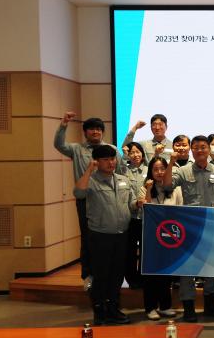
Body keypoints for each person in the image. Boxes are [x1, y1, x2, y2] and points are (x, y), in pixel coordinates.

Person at [164, 135, 214, 322]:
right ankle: (189, 306)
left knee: (212, 266)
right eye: (195, 147)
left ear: (209, 150)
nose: (199, 150)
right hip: (190, 226)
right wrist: (170, 163)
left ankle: (210, 303)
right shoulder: (183, 170)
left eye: (203, 147)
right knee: (188, 267)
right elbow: (167, 185)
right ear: (191, 150)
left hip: (213, 225)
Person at [54, 112, 122, 288]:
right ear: (85, 132)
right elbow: (59, 145)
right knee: (87, 237)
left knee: (110, 238)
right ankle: (88, 275)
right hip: (86, 199)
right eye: (92, 129)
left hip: (108, 199)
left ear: (103, 132)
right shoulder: (77, 149)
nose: (95, 132)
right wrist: (64, 124)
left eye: (99, 129)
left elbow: (121, 172)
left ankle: (111, 275)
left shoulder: (112, 149)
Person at [73, 145, 139, 325]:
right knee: (101, 274)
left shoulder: (123, 180)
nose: (111, 163)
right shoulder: (91, 181)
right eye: (105, 160)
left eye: (112, 159)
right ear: (96, 161)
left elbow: (131, 203)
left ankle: (113, 308)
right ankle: (99, 311)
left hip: (121, 234)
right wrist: (89, 170)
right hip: (100, 236)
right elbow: (78, 192)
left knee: (117, 274)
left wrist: (138, 204)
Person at [140, 157, 181, 321]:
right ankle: (150, 307)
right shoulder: (145, 187)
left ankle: (165, 306)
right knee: (151, 273)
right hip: (151, 236)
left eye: (163, 169)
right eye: (155, 169)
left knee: (166, 271)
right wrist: (149, 189)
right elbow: (146, 209)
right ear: (150, 171)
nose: (159, 172)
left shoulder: (176, 189)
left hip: (169, 236)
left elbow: (180, 210)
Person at [121, 142, 147, 290]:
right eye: (132, 152)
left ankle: (143, 278)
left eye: (138, 152)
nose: (136, 155)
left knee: (144, 250)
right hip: (129, 217)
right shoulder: (123, 170)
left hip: (146, 218)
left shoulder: (149, 169)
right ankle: (131, 279)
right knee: (130, 251)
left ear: (142, 153)